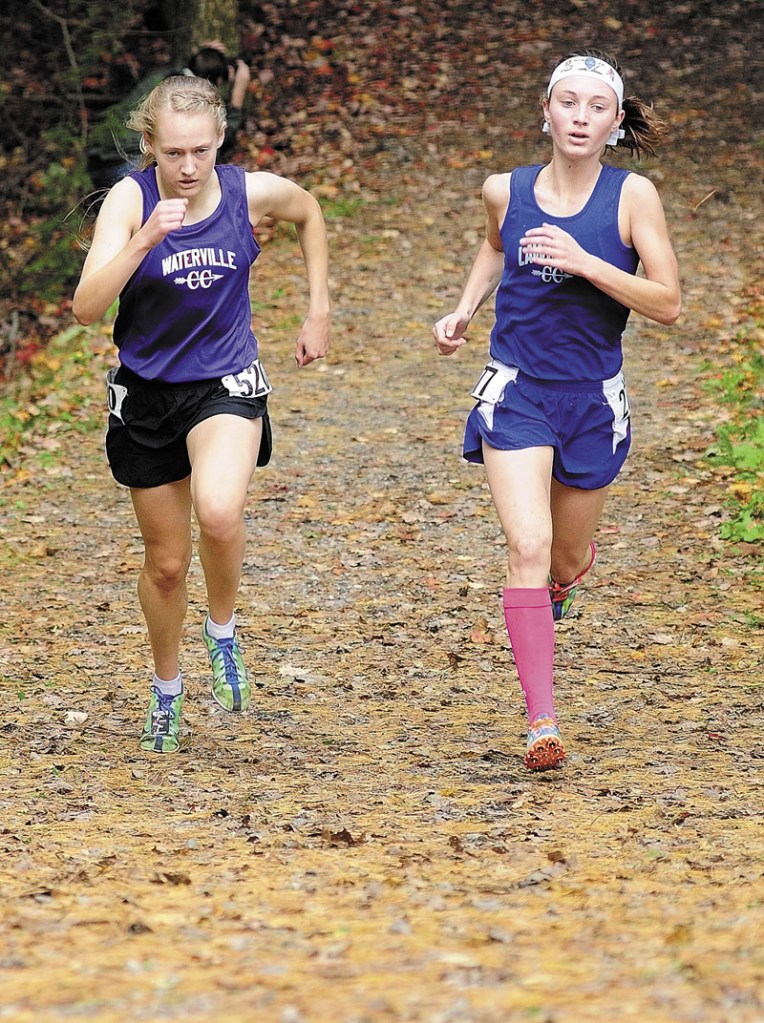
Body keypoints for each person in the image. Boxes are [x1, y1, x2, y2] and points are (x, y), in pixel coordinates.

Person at [432, 50, 680, 771]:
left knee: (564, 559)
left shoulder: (633, 198)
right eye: (567, 103)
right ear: (545, 111)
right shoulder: (504, 189)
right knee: (528, 547)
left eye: (595, 106)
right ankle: (542, 720)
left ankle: (565, 585)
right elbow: (492, 249)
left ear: (614, 122)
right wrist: (463, 310)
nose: (579, 117)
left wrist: (587, 262)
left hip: (593, 401)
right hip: (517, 392)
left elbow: (667, 302)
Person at [73, 75, 330, 752]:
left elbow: (309, 212)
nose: (187, 168)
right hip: (147, 395)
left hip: (224, 383)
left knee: (219, 510)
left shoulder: (248, 193)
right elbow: (86, 307)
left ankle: (222, 633)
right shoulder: (131, 201)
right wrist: (141, 240)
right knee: (164, 563)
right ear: (150, 147)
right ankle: (166, 689)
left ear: (220, 139)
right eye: (173, 154)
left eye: (200, 151)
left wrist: (318, 307)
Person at [87, 43, 251, 189]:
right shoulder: (188, 100)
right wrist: (238, 95)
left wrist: (204, 56)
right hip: (123, 166)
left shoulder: (163, 77)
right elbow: (214, 139)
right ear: (217, 80)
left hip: (97, 157)